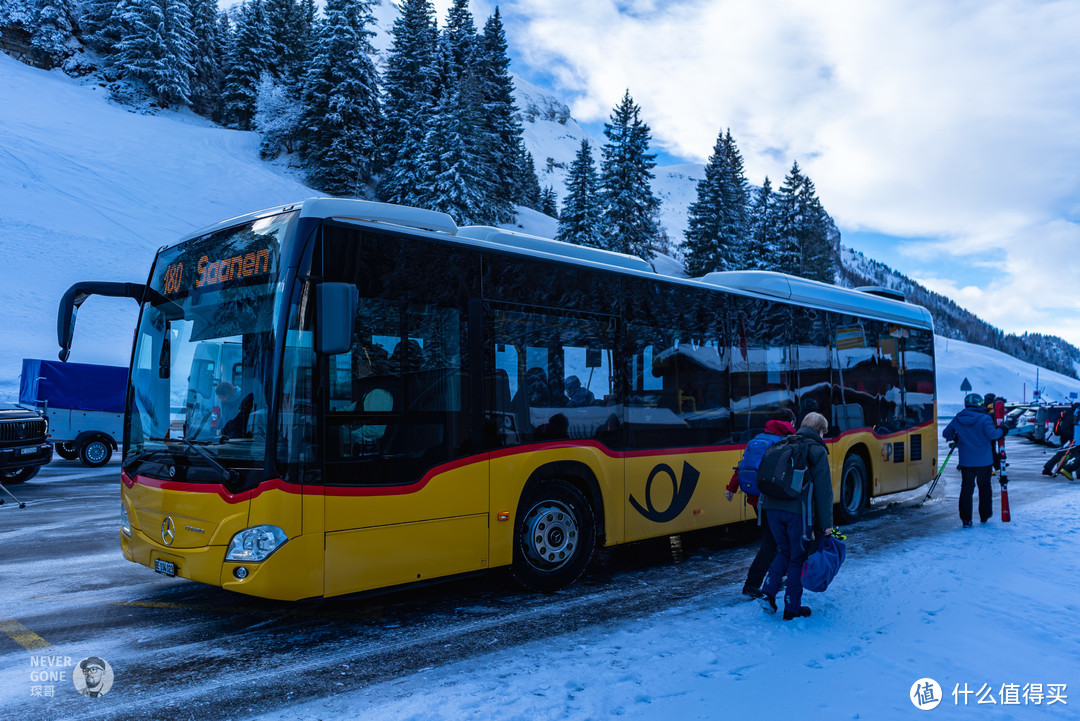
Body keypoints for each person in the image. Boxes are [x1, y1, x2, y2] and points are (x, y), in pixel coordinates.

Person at [759, 411, 835, 621]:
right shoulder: (817, 450)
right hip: (796, 513)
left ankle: (767, 592)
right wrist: (827, 524)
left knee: (784, 551)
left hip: (772, 508)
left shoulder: (785, 442)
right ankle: (792, 608)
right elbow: (824, 491)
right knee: (798, 557)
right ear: (819, 430)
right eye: (823, 432)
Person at [724, 409, 797, 598]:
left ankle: (776, 577)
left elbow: (743, 465)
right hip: (771, 500)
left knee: (776, 540)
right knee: (772, 543)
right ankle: (752, 585)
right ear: (789, 422)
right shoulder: (784, 442)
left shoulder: (758, 438)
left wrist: (731, 489)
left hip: (756, 499)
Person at [943, 393, 1005, 527]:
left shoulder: (958, 418)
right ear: (979, 404)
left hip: (966, 462)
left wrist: (956, 436)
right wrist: (1003, 431)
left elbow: (946, 433)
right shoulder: (985, 418)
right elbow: (992, 435)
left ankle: (966, 519)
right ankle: (985, 516)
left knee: (966, 489)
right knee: (984, 488)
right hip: (984, 462)